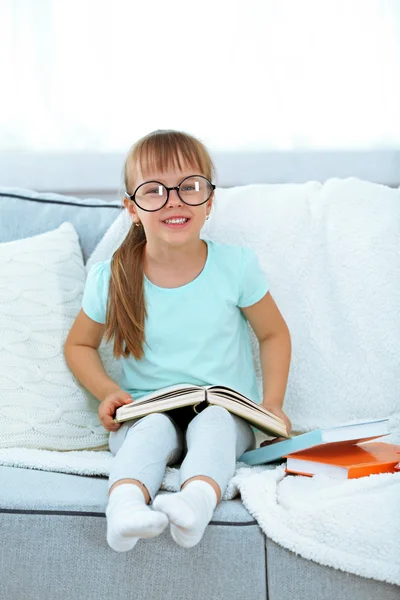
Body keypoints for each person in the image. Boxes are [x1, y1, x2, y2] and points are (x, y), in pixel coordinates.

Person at [64, 129, 292, 553]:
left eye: (190, 187)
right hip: (146, 410)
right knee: (150, 428)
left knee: (216, 423)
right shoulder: (113, 277)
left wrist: (272, 403)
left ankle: (196, 501)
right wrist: (109, 392)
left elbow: (273, 333)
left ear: (209, 201)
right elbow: (78, 345)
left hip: (226, 411)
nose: (174, 200)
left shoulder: (235, 266)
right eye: (154, 191)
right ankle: (125, 507)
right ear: (131, 208)